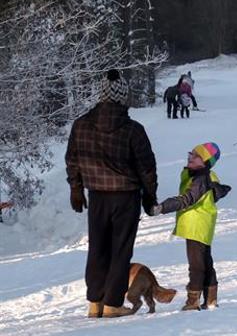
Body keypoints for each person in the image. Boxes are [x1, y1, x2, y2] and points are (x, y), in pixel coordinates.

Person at [65, 69, 158, 318]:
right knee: (120, 250)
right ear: (122, 97)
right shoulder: (132, 130)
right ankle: (112, 304)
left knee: (98, 248)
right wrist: (150, 197)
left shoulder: (81, 125)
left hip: (97, 195)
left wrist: (76, 189)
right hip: (126, 197)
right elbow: (147, 167)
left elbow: (72, 160)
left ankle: (94, 302)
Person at [150, 142, 231, 311]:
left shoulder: (200, 179)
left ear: (205, 162)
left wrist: (162, 207)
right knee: (205, 262)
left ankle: (193, 301)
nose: (190, 157)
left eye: (196, 156)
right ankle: (211, 299)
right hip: (202, 224)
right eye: (191, 153)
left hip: (196, 224)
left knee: (196, 265)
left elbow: (187, 199)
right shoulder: (202, 176)